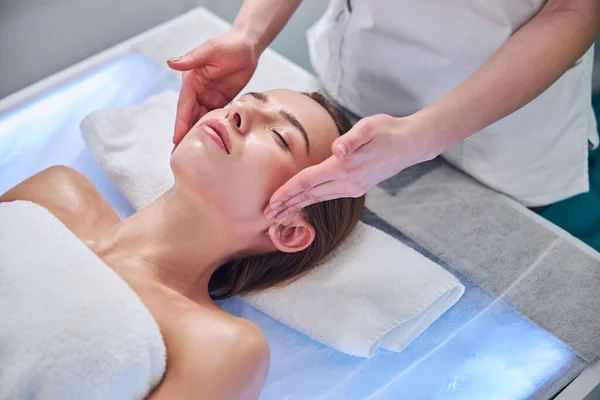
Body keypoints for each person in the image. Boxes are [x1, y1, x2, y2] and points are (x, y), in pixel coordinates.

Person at [0, 90, 365, 399]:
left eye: (280, 137)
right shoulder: (55, 193)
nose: (240, 111)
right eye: (249, 99)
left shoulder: (219, 345)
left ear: (287, 231)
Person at [168, 0, 600, 220]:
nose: (235, 113)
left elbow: (575, 9)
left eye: (283, 136)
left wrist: (422, 136)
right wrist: (249, 33)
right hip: (357, 71)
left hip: (498, 123)